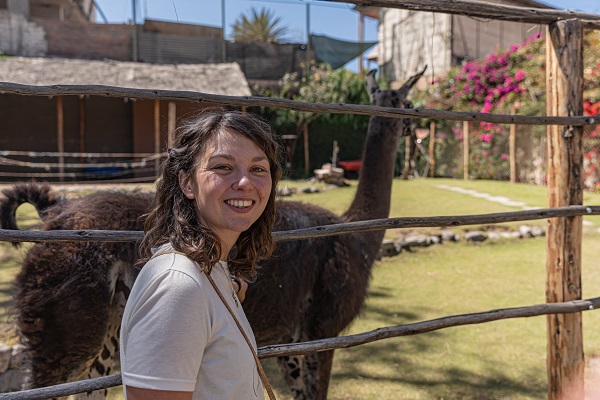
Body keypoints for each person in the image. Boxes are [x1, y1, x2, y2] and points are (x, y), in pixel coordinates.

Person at [120, 109, 283, 400]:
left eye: (258, 169)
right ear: (187, 183)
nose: (245, 182)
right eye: (223, 167)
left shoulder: (211, 272)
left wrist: (232, 285)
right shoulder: (178, 286)